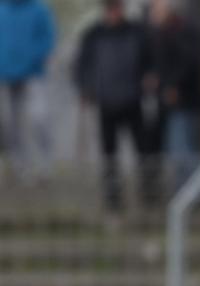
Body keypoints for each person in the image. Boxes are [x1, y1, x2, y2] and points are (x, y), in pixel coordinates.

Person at [74, 0, 154, 213]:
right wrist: (85, 88)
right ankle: (112, 199)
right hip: (106, 103)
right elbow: (82, 65)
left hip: (133, 100)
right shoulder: (93, 35)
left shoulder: (137, 32)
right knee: (109, 155)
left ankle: (148, 194)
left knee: (142, 149)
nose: (113, 13)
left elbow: (150, 61)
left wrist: (148, 79)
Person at [146, 0, 200, 191]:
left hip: (184, 101)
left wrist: (173, 85)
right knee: (178, 148)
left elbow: (188, 63)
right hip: (172, 102)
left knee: (182, 149)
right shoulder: (161, 34)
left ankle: (191, 193)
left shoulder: (181, 31)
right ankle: (189, 193)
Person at [0, 0, 55, 185]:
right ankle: (19, 167)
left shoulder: (39, 9)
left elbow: (48, 38)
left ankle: (45, 165)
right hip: (6, 76)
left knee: (39, 118)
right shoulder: (2, 9)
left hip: (33, 74)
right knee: (9, 124)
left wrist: (30, 59)